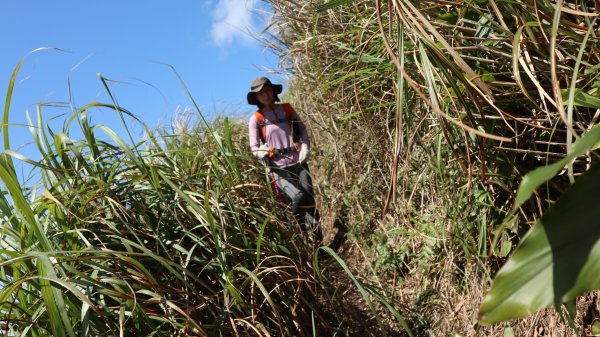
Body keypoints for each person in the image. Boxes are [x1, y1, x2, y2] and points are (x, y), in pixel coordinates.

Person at [247, 76, 322, 242]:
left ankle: (319, 242)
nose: (265, 95)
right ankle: (300, 230)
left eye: (267, 90)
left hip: (299, 161)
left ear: (273, 91)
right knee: (298, 197)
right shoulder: (256, 119)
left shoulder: (286, 110)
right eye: (260, 93)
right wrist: (261, 152)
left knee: (309, 199)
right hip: (278, 168)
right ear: (256, 98)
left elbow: (301, 129)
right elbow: (254, 147)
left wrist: (306, 146)